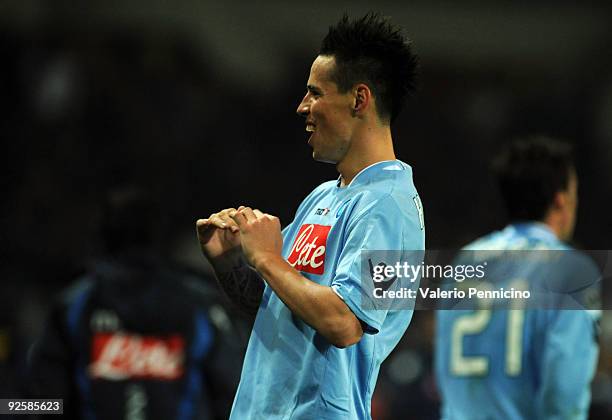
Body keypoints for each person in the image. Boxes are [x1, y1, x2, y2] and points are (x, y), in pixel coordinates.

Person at [196, 13, 425, 420]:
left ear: (359, 99)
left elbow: (344, 323)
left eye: (315, 93)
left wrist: (267, 258)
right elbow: (279, 305)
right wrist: (232, 261)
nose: (303, 107)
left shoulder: (391, 205)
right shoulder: (325, 196)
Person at [27, 187, 245, 420]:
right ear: (159, 234)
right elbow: (232, 394)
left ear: (103, 235)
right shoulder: (201, 304)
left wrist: (10, 407)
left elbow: (42, 402)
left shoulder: (74, 304)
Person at [435, 137, 601, 419]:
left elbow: (444, 371)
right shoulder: (572, 269)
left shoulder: (465, 259)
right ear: (561, 202)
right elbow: (564, 392)